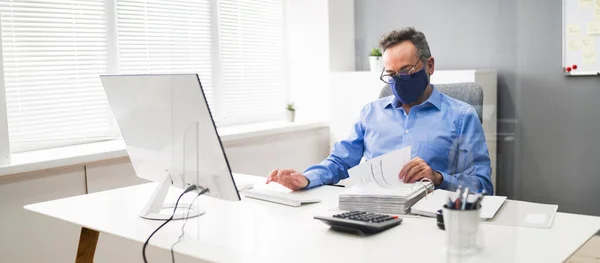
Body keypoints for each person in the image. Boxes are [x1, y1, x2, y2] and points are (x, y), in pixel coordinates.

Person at [266, 27, 493, 194]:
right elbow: (339, 162)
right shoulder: (371, 113)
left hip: (431, 219)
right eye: (391, 74)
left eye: (406, 71)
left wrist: (437, 177)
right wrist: (305, 178)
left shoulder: (462, 116)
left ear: (429, 66)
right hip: (374, 211)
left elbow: (483, 185)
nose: (398, 80)